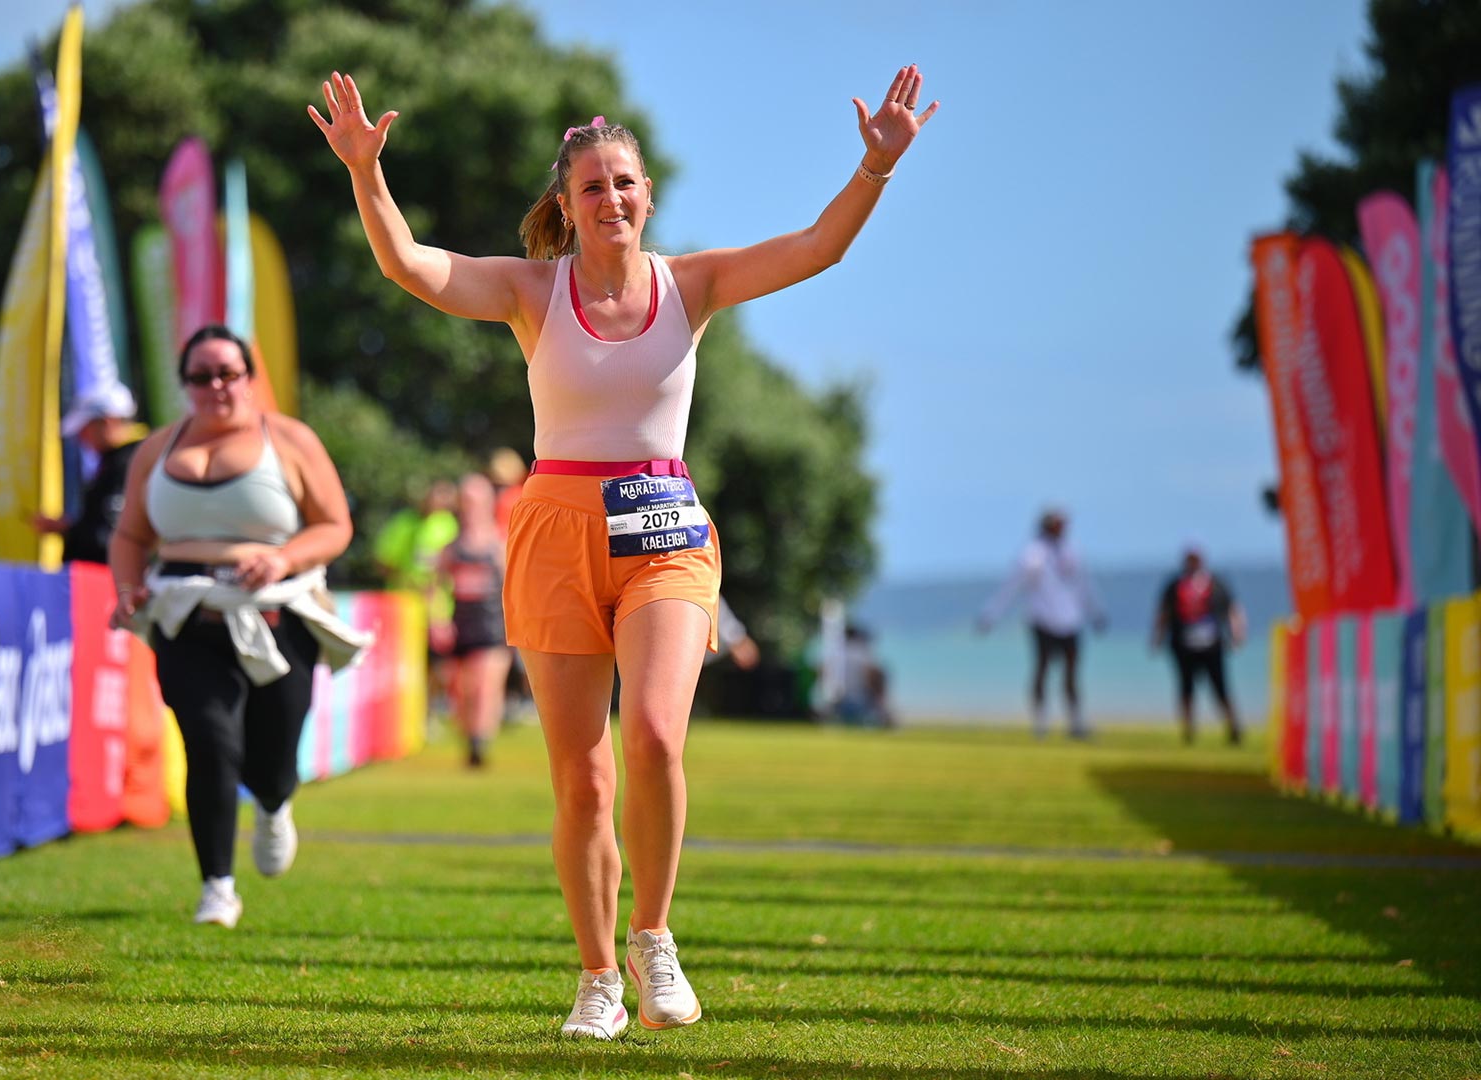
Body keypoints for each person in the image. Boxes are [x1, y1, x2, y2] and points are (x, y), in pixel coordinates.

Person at [311, 64, 937, 1038]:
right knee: (584, 779)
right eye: (592, 186)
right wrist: (365, 169)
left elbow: (817, 247)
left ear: (648, 197)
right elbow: (410, 265)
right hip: (556, 533)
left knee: (652, 734)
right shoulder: (531, 290)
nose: (611, 198)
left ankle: (654, 938)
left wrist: (876, 169)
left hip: (665, 534)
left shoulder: (694, 283)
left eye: (625, 183)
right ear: (566, 205)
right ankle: (598, 976)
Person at [109, 325, 370, 930]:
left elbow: (335, 526)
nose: (216, 386)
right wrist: (127, 589)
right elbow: (130, 535)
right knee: (209, 744)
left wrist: (282, 558)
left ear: (250, 378)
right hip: (186, 615)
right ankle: (217, 888)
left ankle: (275, 804)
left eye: (228, 372)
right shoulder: (156, 449)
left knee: (272, 757)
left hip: (278, 614)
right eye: (201, 376)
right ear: (185, 384)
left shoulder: (290, 439)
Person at [977, 508, 1105, 739]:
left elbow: (1085, 585)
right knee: (1042, 668)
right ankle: (1041, 721)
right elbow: (1012, 586)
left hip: (1071, 619)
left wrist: (1095, 611)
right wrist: (992, 613)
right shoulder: (1032, 553)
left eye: (1063, 524)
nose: (1062, 528)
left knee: (1071, 671)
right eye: (1057, 523)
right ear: (1046, 525)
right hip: (1042, 618)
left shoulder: (1073, 550)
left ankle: (1075, 722)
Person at [433, 473, 512, 768]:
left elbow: (514, 588)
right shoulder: (451, 547)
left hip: (492, 625)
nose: (470, 508)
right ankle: (470, 738)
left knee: (484, 687)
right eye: (465, 501)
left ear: (488, 504)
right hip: (460, 625)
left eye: (475, 502)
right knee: (460, 691)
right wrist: (439, 621)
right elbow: (435, 587)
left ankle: (480, 743)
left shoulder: (500, 543)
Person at [34, 382, 145, 565]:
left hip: (111, 578)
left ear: (108, 422)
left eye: (84, 428)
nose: (81, 437)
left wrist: (67, 529)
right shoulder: (123, 460)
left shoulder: (128, 463)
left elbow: (109, 536)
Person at [1151, 544, 1247, 745]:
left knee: (1220, 687)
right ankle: (1188, 729)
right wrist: (1157, 638)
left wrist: (1237, 634)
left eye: (1195, 558)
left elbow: (1233, 609)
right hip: (1183, 645)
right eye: (1190, 559)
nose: (1192, 562)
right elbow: (1163, 613)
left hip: (1211, 645)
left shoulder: (1216, 583)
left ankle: (1233, 726)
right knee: (1186, 688)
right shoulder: (1175, 585)